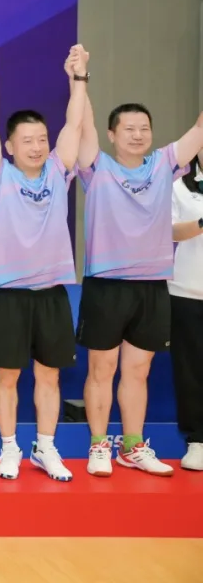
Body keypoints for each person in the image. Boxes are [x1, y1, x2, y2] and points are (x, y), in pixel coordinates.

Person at [77, 92, 203, 477]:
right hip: (107, 284)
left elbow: (200, 128)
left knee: (138, 370)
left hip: (152, 285)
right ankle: (99, 445)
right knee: (102, 367)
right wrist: (79, 80)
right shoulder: (97, 167)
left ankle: (132, 447)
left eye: (144, 128)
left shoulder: (164, 163)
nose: (137, 135)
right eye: (129, 129)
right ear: (112, 134)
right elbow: (82, 124)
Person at [0, 46, 87, 483]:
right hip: (10, 293)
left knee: (50, 376)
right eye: (27, 140)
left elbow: (74, 124)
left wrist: (79, 77)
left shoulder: (59, 172)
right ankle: (9, 448)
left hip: (52, 292)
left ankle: (45, 446)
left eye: (42, 139)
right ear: (10, 147)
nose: (38, 146)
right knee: (7, 377)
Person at [170, 151, 203, 471]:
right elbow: (169, 230)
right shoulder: (180, 186)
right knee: (191, 369)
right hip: (188, 291)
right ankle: (198, 440)